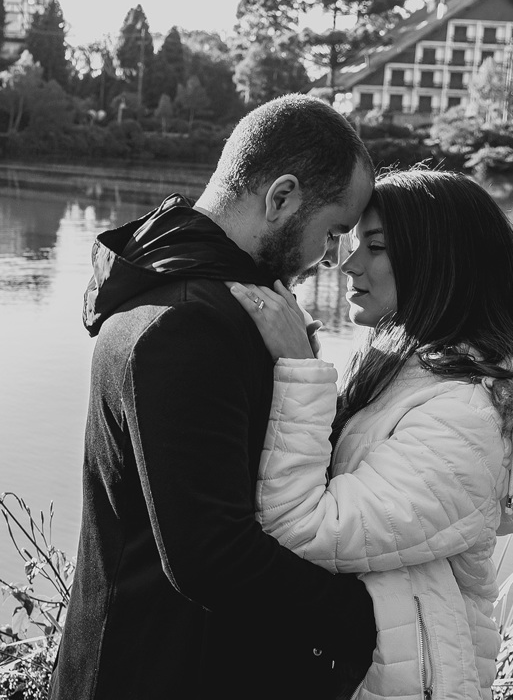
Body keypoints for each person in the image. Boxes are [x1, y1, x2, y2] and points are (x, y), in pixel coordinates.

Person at [229, 169, 513, 699]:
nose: (348, 264)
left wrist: (299, 372)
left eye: (374, 247)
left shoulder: (465, 412)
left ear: (438, 261)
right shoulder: (411, 375)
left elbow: (307, 528)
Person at [49, 95, 378, 700]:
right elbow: (212, 555)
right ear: (281, 197)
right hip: (154, 672)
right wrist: (361, 618)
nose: (332, 258)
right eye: (332, 231)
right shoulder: (184, 324)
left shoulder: (200, 299)